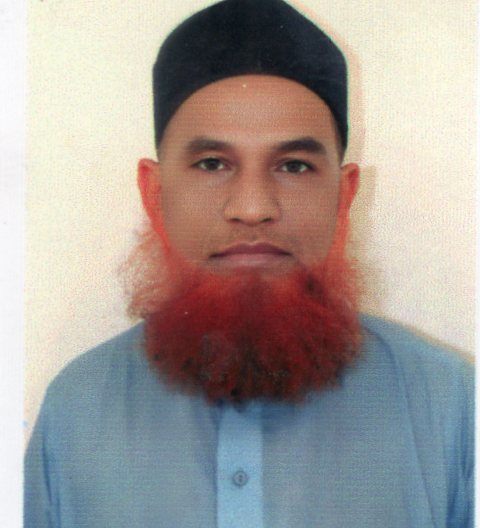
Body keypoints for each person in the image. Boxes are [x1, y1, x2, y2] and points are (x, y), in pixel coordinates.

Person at [25, 0, 474, 527]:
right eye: (212, 163)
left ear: (344, 195)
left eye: (294, 166)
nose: (253, 207)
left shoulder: (452, 408)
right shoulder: (75, 411)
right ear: (154, 193)